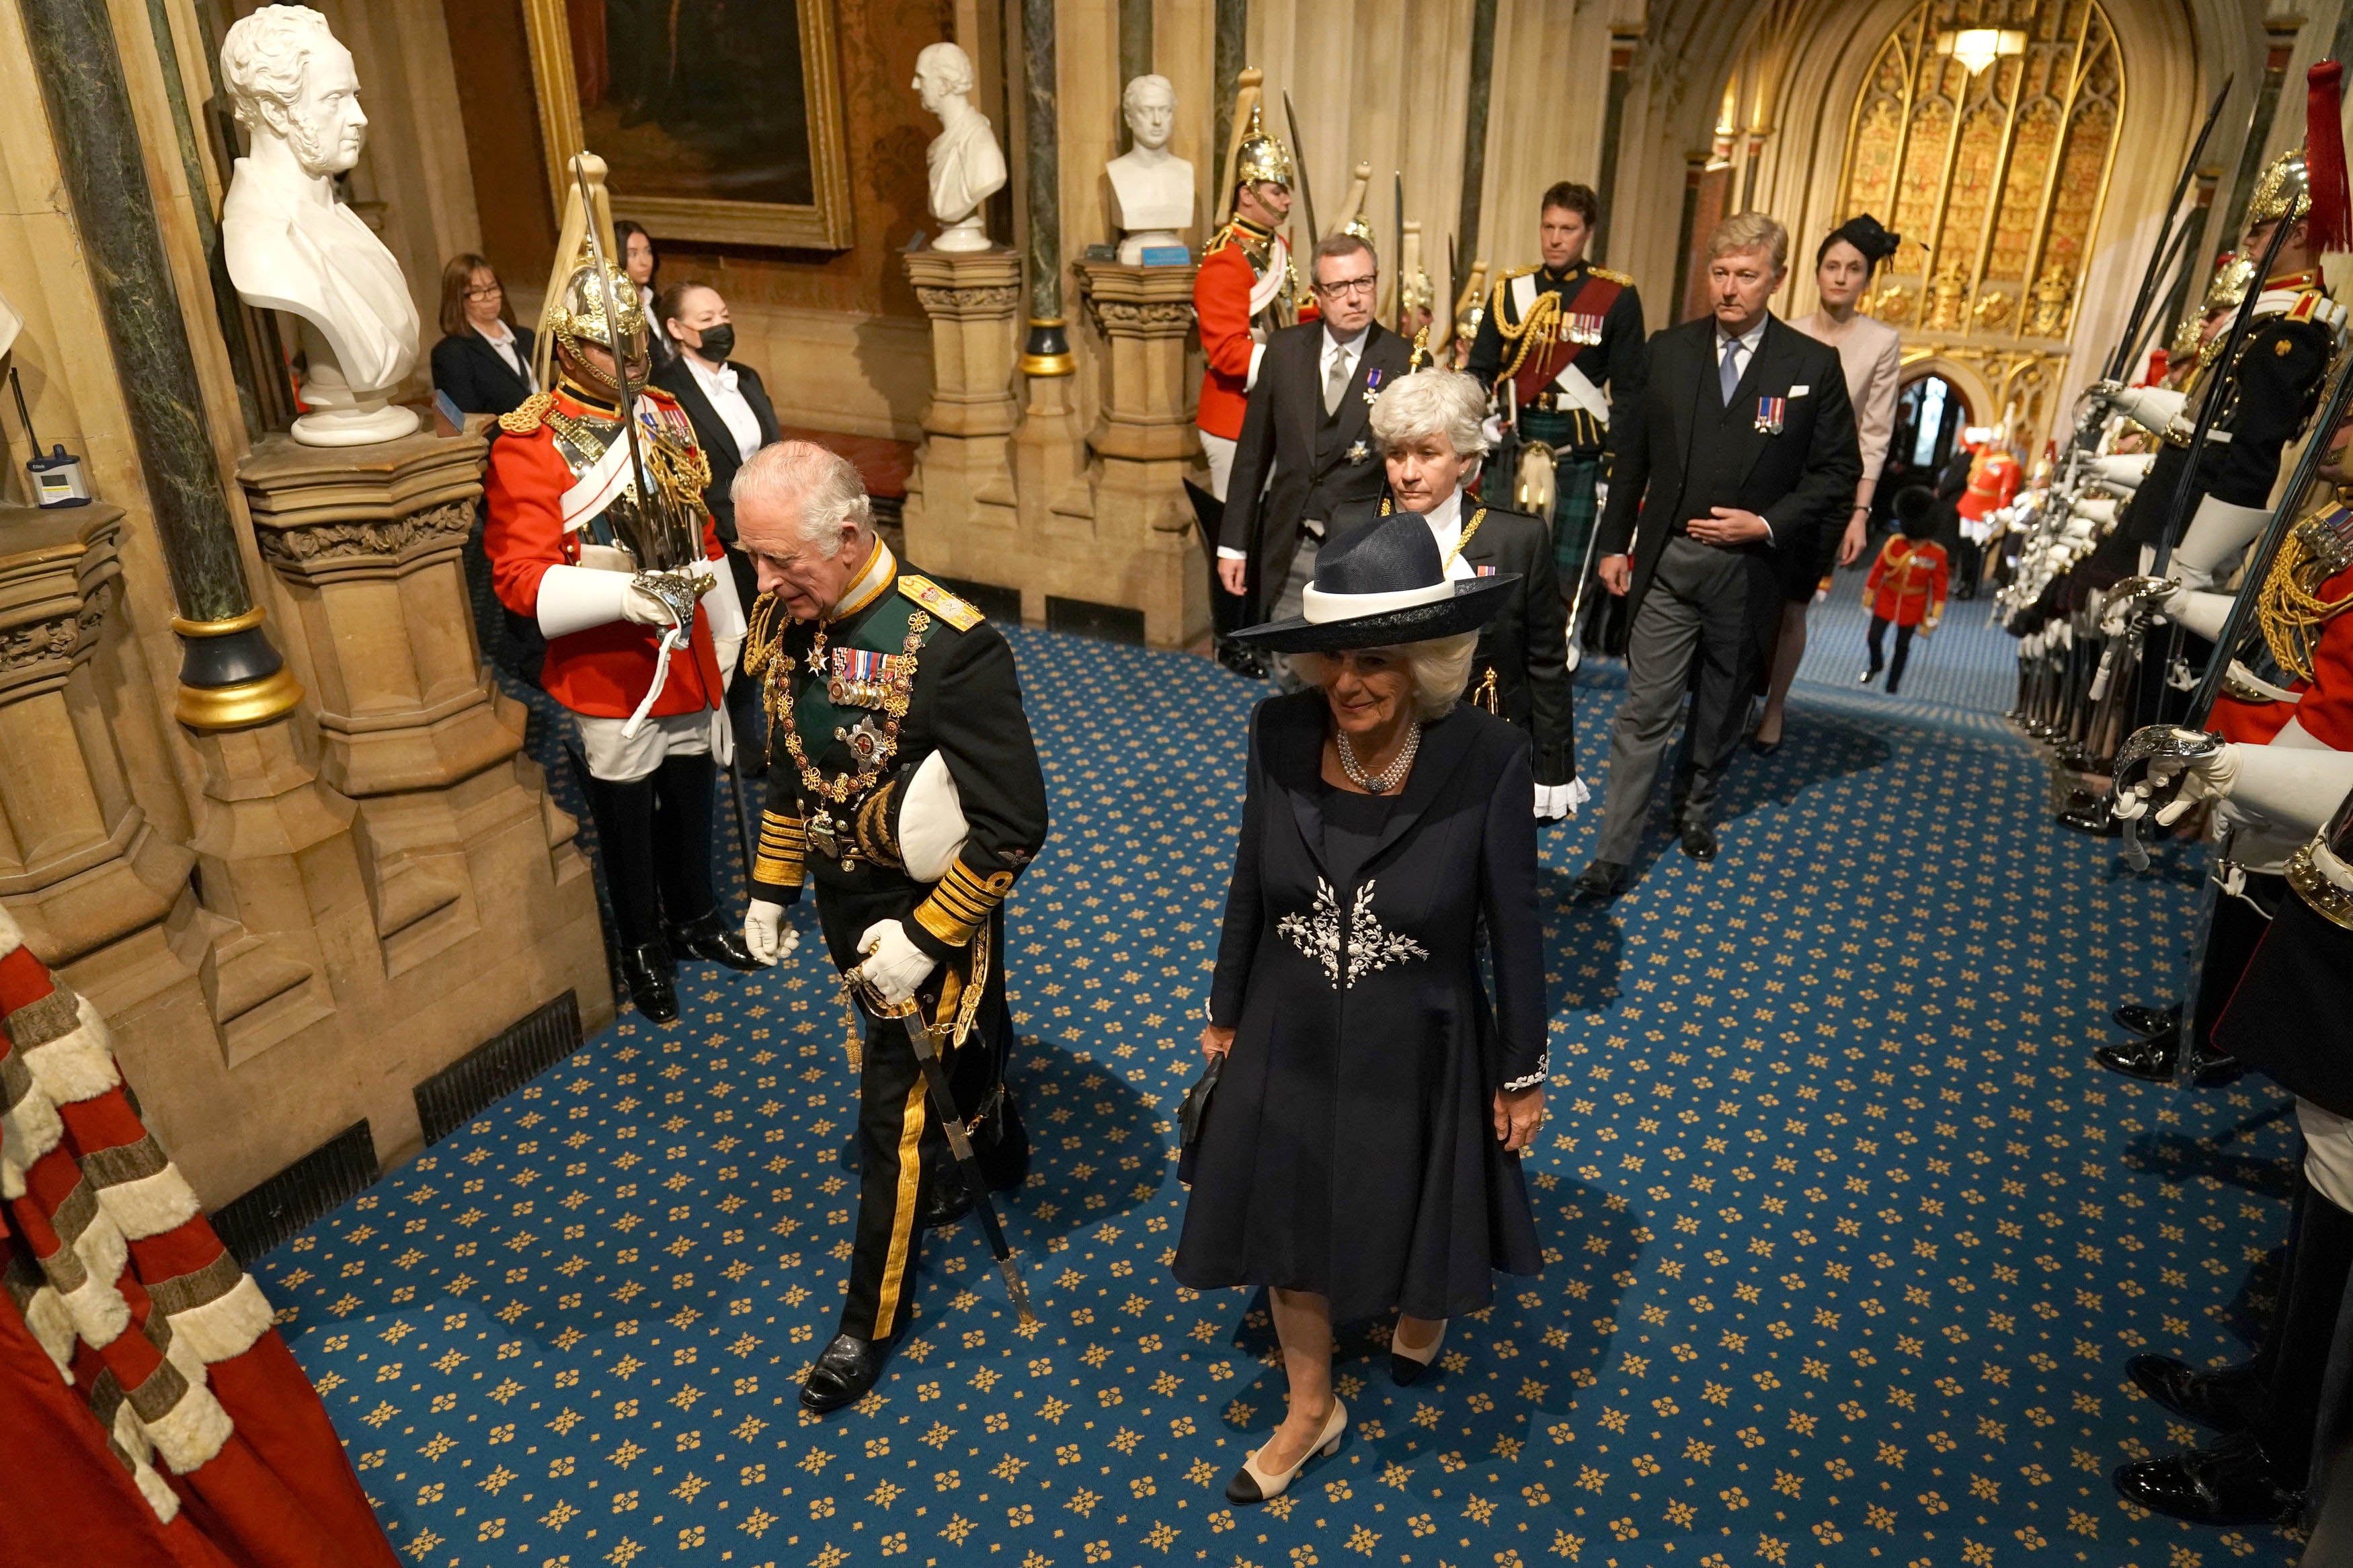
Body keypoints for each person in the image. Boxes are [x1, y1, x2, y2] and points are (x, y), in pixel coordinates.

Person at [1174, 511, 1546, 1505]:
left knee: (1409, 1208)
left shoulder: (1487, 756)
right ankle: (1311, 1406)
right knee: (1289, 1212)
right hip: (1288, 1017)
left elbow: (1515, 930)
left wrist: (1522, 1070)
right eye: (1332, 656)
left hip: (1419, 1031)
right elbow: (1251, 876)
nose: (1349, 682)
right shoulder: (1281, 730)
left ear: (1427, 661)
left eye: (1376, 659)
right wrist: (1225, 1008)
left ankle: (1419, 1301)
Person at [735, 440, 1047, 1415]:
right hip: (843, 903)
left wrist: (924, 938)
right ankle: (993, 1123)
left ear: (849, 535)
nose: (762, 580)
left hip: (928, 911)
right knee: (969, 1034)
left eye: (780, 559)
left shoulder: (953, 645)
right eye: (753, 556)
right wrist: (770, 889)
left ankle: (867, 1320)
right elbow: (793, 768)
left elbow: (1012, 824)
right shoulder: (790, 613)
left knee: (891, 1119)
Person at [482, 198, 759, 1024]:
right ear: (573, 344)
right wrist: (624, 596)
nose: (631, 356)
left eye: (635, 338)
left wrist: (727, 622)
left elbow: (698, 524)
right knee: (628, 816)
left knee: (694, 792)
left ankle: (698, 915)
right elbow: (519, 579)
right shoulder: (529, 440)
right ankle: (642, 940)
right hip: (609, 660)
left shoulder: (666, 415)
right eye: (612, 344)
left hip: (690, 647)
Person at [1572, 213, 1860, 897]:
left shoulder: (1809, 366)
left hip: (1749, 570)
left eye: (1745, 276)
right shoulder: (1666, 351)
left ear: (1777, 279)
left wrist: (1763, 523)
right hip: (1666, 562)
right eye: (1719, 274)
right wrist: (1614, 544)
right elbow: (1633, 455)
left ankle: (1695, 805)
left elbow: (1835, 473)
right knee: (1644, 709)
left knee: (1721, 704)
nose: (1728, 289)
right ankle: (1613, 852)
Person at [1326, 367, 1581, 818]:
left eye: (1427, 454)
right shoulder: (1350, 526)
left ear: (1464, 459)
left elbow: (1545, 663)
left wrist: (1553, 766)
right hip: (1375, 746)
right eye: (1397, 454)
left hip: (1479, 744)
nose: (1408, 473)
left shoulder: (1516, 540)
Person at [1218, 234, 1413, 684]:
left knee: (1356, 676)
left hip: (1362, 549)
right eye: (1339, 287)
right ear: (1317, 295)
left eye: (1364, 282)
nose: (1354, 296)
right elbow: (1253, 455)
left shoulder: (1405, 359)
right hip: (1292, 542)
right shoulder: (1284, 351)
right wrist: (1233, 544)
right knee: (1288, 671)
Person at [1463, 181, 1646, 643]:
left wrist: (1616, 461)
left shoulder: (1616, 297)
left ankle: (1552, 650)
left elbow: (1629, 393)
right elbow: (1480, 371)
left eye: (1568, 228)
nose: (1555, 238)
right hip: (1515, 434)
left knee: (1564, 566)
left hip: (1578, 444)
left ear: (1588, 233)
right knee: (1497, 554)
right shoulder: (1511, 291)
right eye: (1548, 226)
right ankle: (1492, 644)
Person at [1756, 214, 1903, 749]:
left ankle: (1774, 708)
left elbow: (1874, 433)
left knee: (1794, 604)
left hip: (1828, 493)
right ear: (1815, 273)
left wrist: (1861, 514)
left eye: (1854, 269)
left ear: (1867, 280)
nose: (1841, 277)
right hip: (1772, 484)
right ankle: (1735, 695)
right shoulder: (1785, 330)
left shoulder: (1881, 342)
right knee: (1750, 597)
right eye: (1832, 266)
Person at [654, 280, 780, 775]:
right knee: (740, 641)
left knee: (779, 639)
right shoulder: (665, 393)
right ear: (676, 329)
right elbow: (679, 478)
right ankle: (739, 742)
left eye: (723, 314)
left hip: (770, 531)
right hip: (720, 541)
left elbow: (771, 448)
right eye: (706, 320)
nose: (720, 326)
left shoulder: (745, 377)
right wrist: (736, 528)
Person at [1193, 99, 1302, 500]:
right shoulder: (1225, 259)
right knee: (1235, 533)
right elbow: (1225, 351)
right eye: (1279, 190)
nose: (1288, 200)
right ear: (1249, 193)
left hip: (1275, 408)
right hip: (1234, 416)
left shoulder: (1277, 245)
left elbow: (1287, 312)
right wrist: (1296, 365)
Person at [1859, 487, 1946, 695]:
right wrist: (1870, 592)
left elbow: (1940, 587)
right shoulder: (1895, 545)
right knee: (1874, 638)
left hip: (1913, 604)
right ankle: (1876, 664)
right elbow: (1879, 569)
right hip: (1888, 598)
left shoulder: (1937, 554)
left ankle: (1892, 684)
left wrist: (1935, 614)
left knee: (1902, 647)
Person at [430, 253, 536, 417]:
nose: (489, 298)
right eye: (476, 292)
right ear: (458, 299)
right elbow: (466, 423)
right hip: (502, 441)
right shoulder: (451, 353)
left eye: (493, 289)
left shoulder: (525, 337)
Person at [614, 218, 676, 370]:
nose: (645, 262)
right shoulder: (617, 312)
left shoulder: (660, 303)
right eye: (633, 254)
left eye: (648, 252)